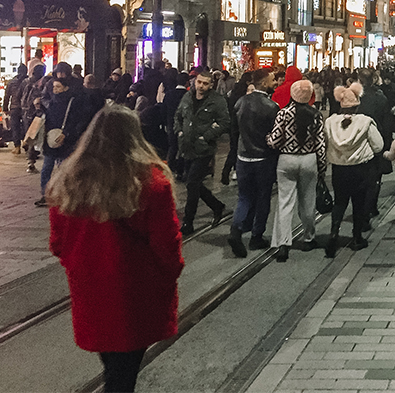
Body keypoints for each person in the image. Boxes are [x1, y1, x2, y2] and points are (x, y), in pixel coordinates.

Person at [47, 106, 183, 393]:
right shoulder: (150, 183)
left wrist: (80, 263)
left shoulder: (69, 182)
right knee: (124, 373)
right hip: (135, 290)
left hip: (90, 287)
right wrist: (171, 272)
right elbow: (166, 244)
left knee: (114, 368)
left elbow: (58, 243)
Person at [266, 79, 327, 262]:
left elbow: (274, 141)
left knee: (285, 202)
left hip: (287, 159)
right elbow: (321, 145)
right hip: (309, 160)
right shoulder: (316, 115)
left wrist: (267, 138)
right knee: (308, 201)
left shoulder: (283, 114)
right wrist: (322, 168)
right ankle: (308, 238)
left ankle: (283, 243)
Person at [324, 83, 383, 257]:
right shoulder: (365, 122)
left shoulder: (331, 122)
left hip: (339, 169)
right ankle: (356, 237)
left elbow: (325, 143)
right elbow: (378, 145)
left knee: (339, 202)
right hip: (360, 169)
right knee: (358, 203)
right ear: (357, 104)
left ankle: (333, 234)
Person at [228, 68, 280, 257]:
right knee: (263, 197)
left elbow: (234, 130)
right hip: (263, 158)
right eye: (272, 79)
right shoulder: (271, 106)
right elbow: (275, 135)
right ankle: (257, 236)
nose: (275, 82)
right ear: (264, 83)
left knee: (244, 196)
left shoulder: (241, 102)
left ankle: (236, 229)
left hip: (243, 156)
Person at [173, 71, 229, 235]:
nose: (201, 86)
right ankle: (217, 205)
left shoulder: (217, 101)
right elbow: (178, 116)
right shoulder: (187, 97)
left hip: (204, 149)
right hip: (186, 147)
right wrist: (179, 132)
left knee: (191, 183)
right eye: (199, 82)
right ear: (194, 82)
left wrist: (207, 136)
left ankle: (188, 222)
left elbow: (225, 122)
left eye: (205, 83)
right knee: (194, 183)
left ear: (211, 85)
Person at [36, 76, 97, 207]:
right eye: (54, 87)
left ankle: (64, 193)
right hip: (51, 138)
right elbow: (48, 118)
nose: (55, 90)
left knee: (64, 167)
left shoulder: (72, 102)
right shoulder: (51, 101)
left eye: (58, 87)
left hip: (65, 139)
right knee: (47, 167)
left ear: (65, 88)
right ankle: (45, 194)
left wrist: (67, 133)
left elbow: (75, 120)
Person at [356, 68, 392, 221]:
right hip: (377, 140)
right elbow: (386, 122)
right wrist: (387, 145)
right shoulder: (380, 97)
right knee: (374, 176)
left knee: (359, 176)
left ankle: (362, 207)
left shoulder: (354, 97)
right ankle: (371, 207)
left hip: (357, 140)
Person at [3, 64, 29, 154]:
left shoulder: (11, 82)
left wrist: (5, 108)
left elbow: (7, 96)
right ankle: (27, 144)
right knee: (27, 127)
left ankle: (17, 147)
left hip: (14, 107)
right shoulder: (29, 81)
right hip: (26, 107)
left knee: (15, 127)